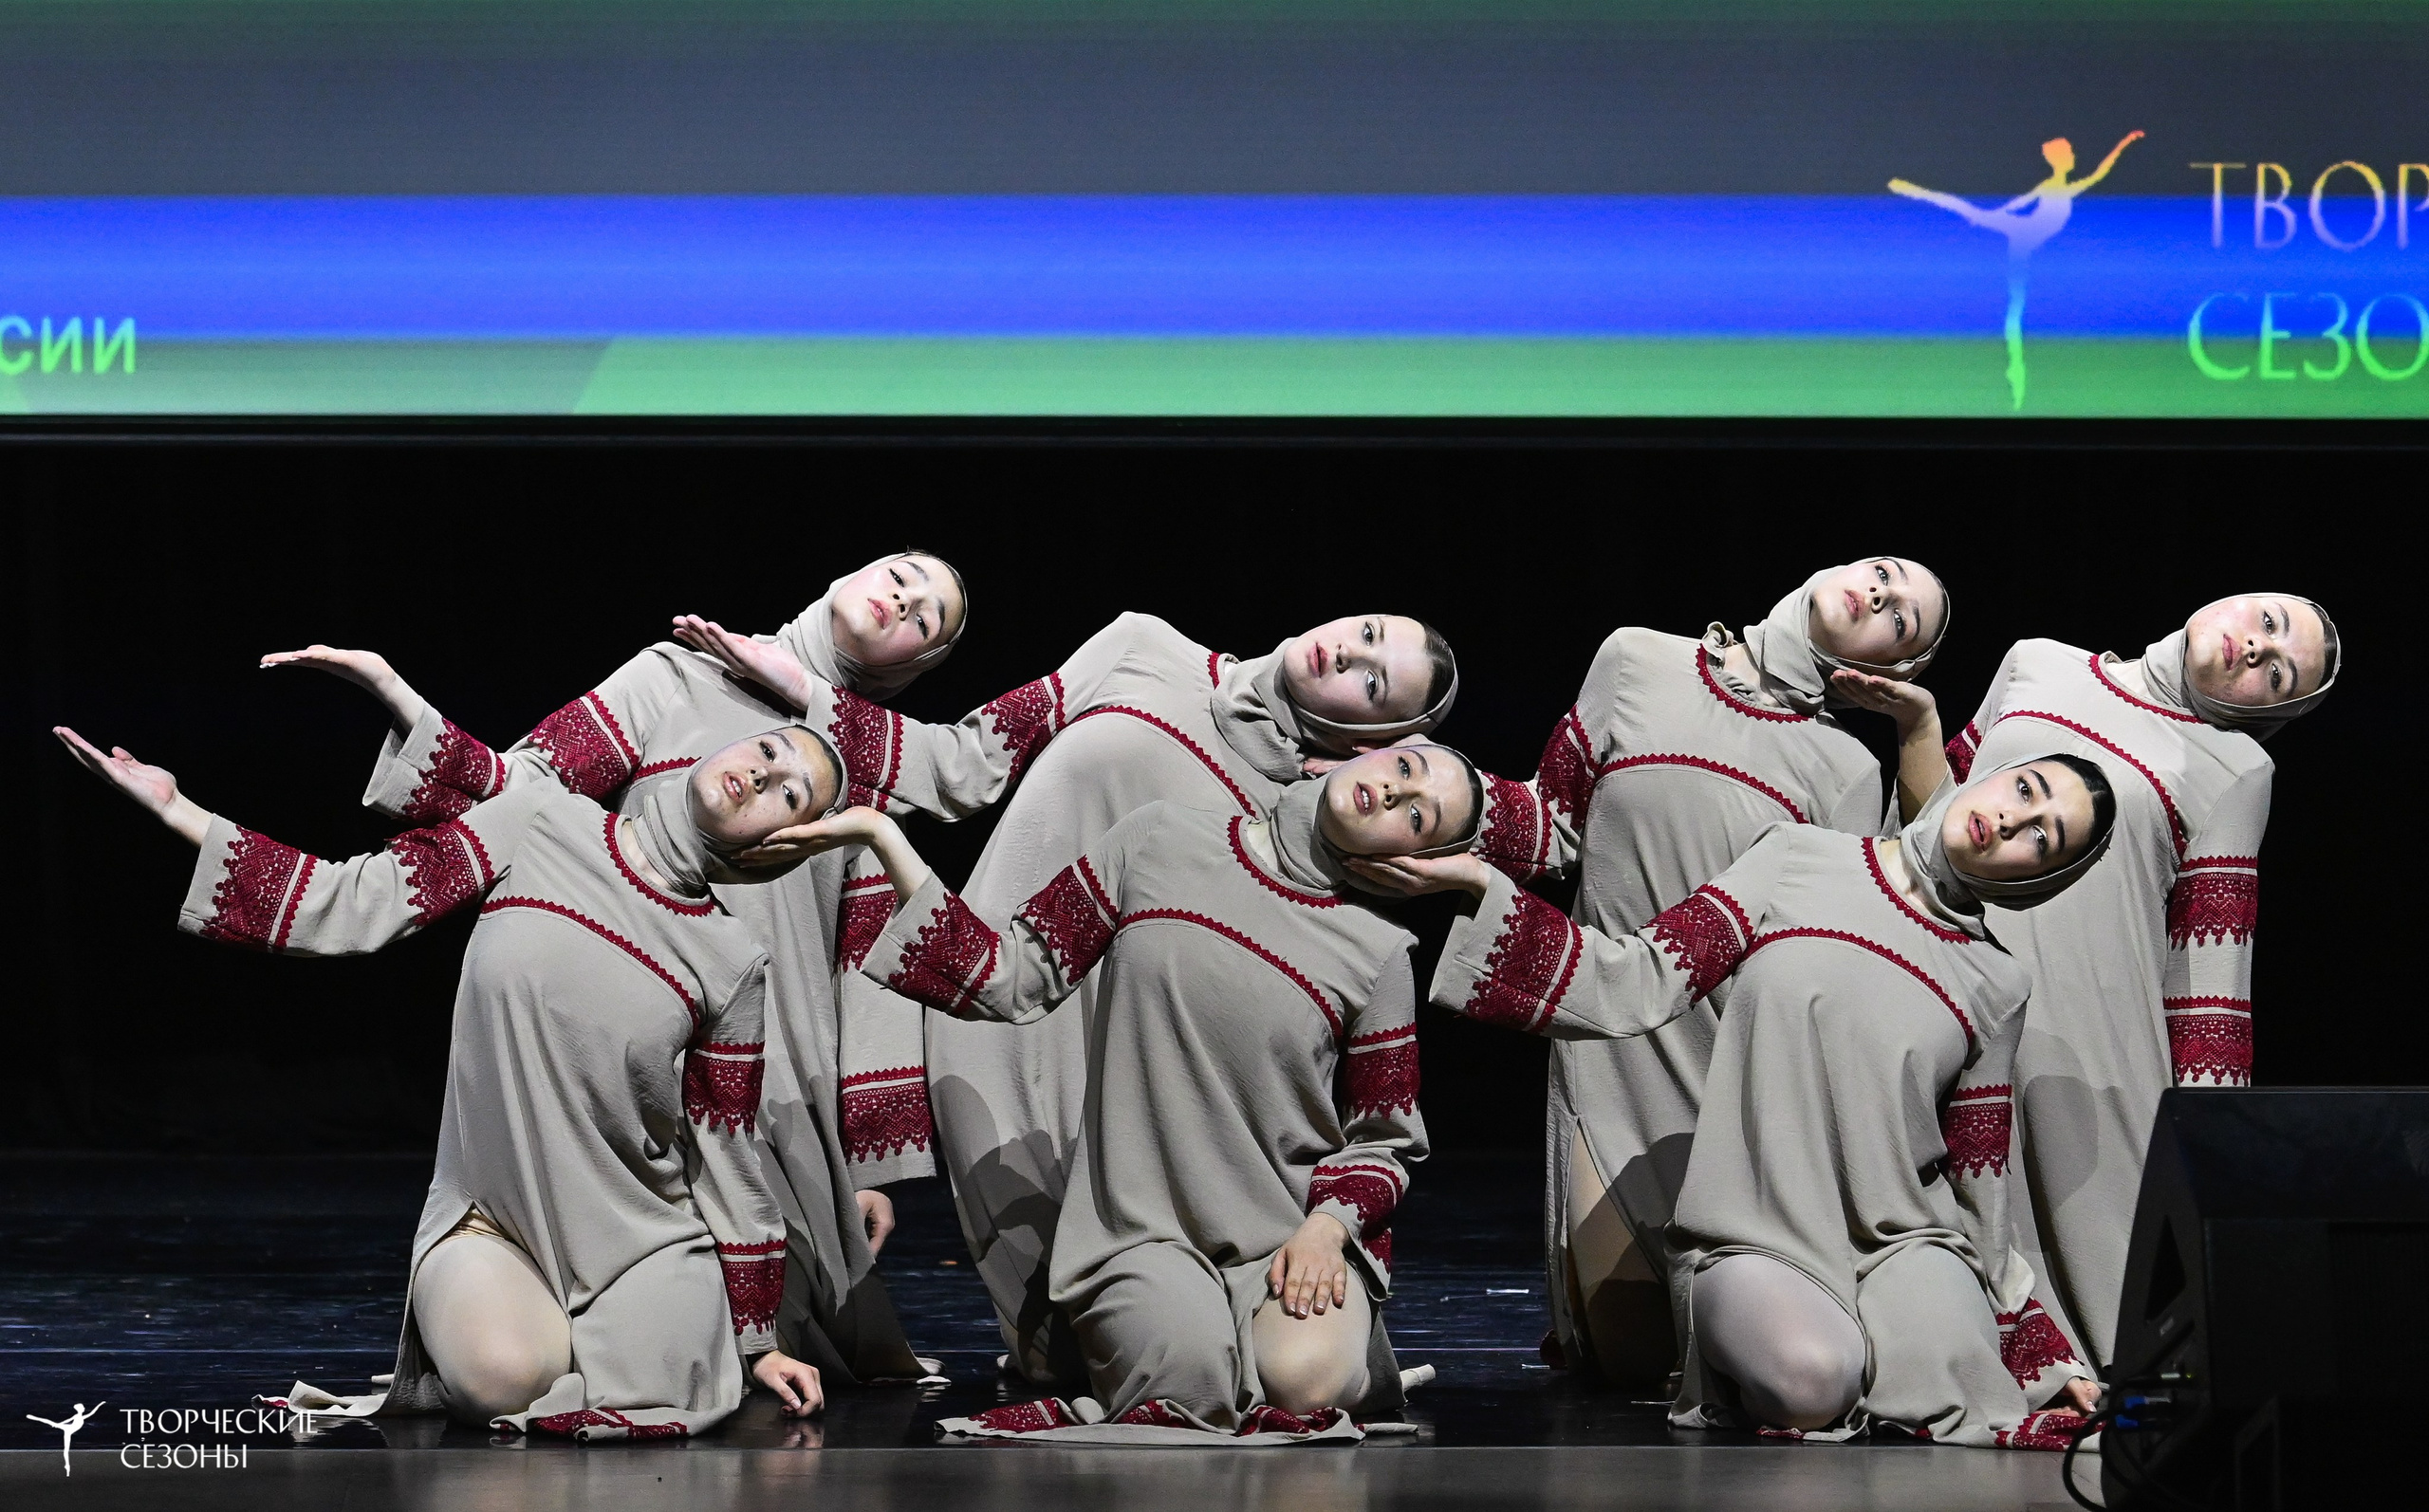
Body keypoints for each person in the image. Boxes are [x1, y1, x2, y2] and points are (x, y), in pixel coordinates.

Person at [680, 608, 1457, 1386]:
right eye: (1368, 631)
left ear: (1377, 741)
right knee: (1075, 1340)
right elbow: (968, 757)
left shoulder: (1326, 810)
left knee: (1227, 1361)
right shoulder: (1144, 647)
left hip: (1144, 1060)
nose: (1348, 651)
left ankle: (1289, 1348)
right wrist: (804, 689)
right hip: (998, 996)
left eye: (1373, 679)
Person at [261, 551, 969, 1385]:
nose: (903, 599)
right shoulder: (674, 675)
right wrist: (400, 701)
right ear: (853, 571)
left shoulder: (877, 767)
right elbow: (526, 785)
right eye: (904, 573)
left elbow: (869, 963)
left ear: (918, 665)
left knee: (755, 1334)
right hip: (639, 1052)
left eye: (928, 617)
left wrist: (868, 1161)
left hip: (777, 1071)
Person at [54, 721, 840, 1439]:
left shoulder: (734, 964)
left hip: (642, 1237)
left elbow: (726, 1151)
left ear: (786, 843)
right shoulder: (541, 819)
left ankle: (621, 1336)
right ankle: (566, 1343)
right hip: (492, 1219)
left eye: (790, 794)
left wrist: (757, 1340)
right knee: (501, 1379)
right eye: (768, 751)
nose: (762, 777)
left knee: (679, 1385)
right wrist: (178, 809)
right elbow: (353, 901)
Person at [1361, 753, 2117, 1447]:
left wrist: (2037, 1351)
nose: (2014, 820)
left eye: (2043, 839)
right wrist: (1481, 891)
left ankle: (1893, 1336)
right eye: (2026, 789)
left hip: (1902, 1238)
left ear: (2040, 878)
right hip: (1756, 1227)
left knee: (1966, 1379)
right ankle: (1803, 1344)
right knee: (1812, 1385)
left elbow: (1979, 1183)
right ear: (1996, 775)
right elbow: (1641, 975)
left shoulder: (1998, 983)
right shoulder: (1797, 857)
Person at [778, 745, 1479, 1442]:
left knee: (1308, 1386)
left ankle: (1317, 1348)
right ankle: (1198, 1343)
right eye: (1406, 770)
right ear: (1369, 755)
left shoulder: (1379, 951)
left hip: (1287, 1236)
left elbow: (1385, 1137)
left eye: (1419, 817)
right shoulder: (1160, 836)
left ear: (1412, 862)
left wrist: (1329, 1231)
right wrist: (882, 834)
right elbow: (1010, 974)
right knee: (1186, 1383)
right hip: (1139, 1231)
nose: (1394, 794)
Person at [1468, 558, 1947, 1389]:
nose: (1880, 595)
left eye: (1901, 619)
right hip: (1608, 1044)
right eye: (1883, 576)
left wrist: (1917, 733)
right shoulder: (1636, 660)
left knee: (1734, 1360)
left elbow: (1838, 935)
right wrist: (1419, 796)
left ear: (1892, 669)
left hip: (1730, 1075)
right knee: (1628, 1362)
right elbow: (1553, 825)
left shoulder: (1847, 768)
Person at [1939, 593, 2338, 1370]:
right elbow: (1934, 808)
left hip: (2078, 1058)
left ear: (2276, 711)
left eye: (2281, 672)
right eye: (2267, 622)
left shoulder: (2237, 768)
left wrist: (2208, 1157)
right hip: (1952, 991)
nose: (2258, 650)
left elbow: (2210, 970)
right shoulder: (2034, 662)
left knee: (2120, 1328)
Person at [1889, 130, 2144, 409]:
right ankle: (2016, 370)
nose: (2074, 156)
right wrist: (1997, 217)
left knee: (2015, 301)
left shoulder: (2056, 187)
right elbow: (2027, 201)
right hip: (2025, 235)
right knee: (2014, 302)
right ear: (2060, 159)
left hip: (2025, 236)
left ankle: (2016, 369)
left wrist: (2124, 142)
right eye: (2069, 153)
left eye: (2072, 152)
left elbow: (2089, 177)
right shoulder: (2053, 187)